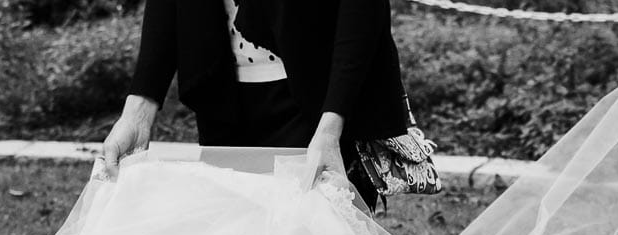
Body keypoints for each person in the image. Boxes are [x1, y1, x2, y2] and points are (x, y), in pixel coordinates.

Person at [97, 0, 411, 205]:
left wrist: (331, 127)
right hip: (222, 96)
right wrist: (137, 114)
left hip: (315, 100)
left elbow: (362, 11)